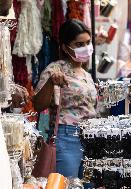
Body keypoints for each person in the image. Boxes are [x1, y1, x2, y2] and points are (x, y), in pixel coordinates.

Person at [33, 19, 97, 177]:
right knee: (67, 183)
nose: (86, 48)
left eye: (88, 43)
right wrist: (51, 82)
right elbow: (38, 105)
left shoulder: (87, 75)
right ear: (65, 47)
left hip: (91, 138)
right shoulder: (55, 69)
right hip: (67, 137)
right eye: (79, 44)